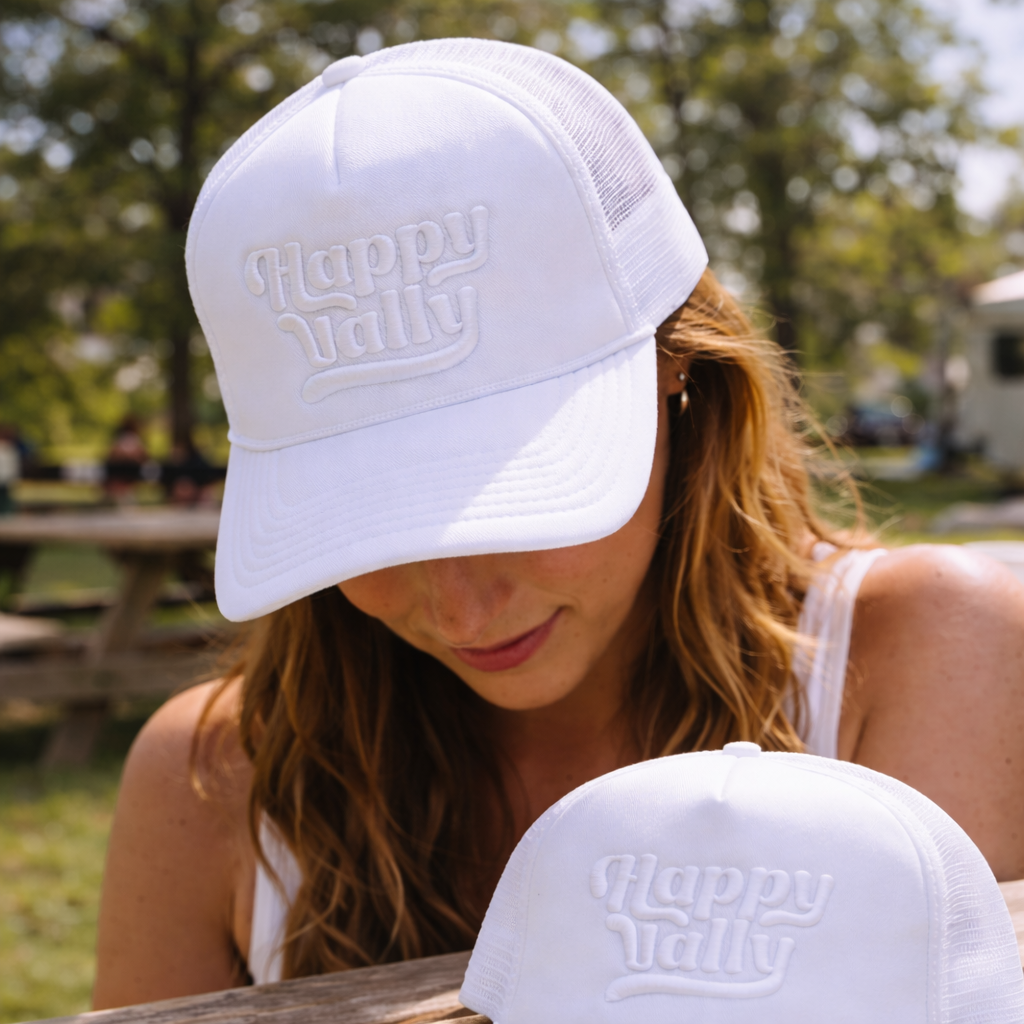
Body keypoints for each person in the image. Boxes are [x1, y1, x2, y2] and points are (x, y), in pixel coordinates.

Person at [93, 39, 1024, 1009]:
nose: (458, 607)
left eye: (516, 491)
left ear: (677, 367)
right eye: (363, 521)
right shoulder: (208, 781)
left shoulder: (931, 656)